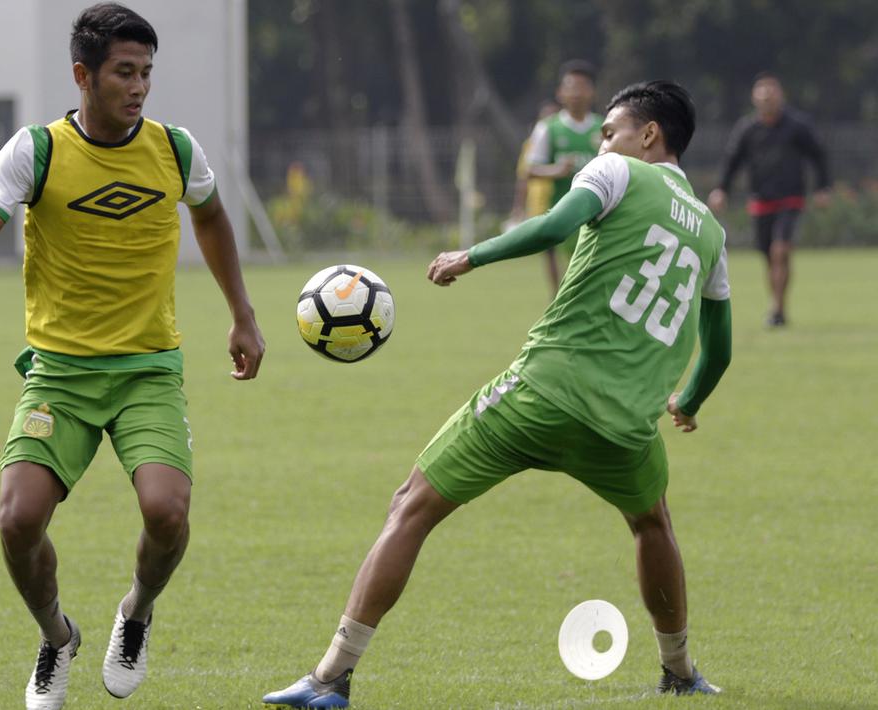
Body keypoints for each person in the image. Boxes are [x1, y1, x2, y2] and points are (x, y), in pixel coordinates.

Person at [263, 80, 730, 708]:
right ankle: (680, 672)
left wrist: (471, 255)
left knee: (413, 505)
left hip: (543, 393)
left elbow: (555, 224)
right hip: (627, 428)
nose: (602, 141)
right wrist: (689, 401)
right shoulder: (710, 232)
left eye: (611, 130)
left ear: (648, 134)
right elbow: (719, 345)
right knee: (652, 524)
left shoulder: (617, 170)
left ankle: (330, 677)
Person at [0, 4, 265, 709]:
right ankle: (56, 638)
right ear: (82, 75)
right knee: (16, 520)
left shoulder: (176, 150)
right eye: (125, 72)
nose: (139, 86)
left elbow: (210, 216)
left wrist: (241, 314)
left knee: (167, 512)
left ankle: (137, 613)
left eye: (147, 72)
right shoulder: (38, 150)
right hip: (60, 374)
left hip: (148, 370)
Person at [708, 72, 831, 327]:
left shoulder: (798, 126)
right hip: (761, 200)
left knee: (779, 251)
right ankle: (778, 306)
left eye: (771, 95)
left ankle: (777, 308)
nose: (767, 100)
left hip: (790, 198)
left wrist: (822, 188)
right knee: (769, 256)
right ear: (755, 99)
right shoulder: (748, 129)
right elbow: (732, 160)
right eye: (762, 96)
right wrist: (721, 189)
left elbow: (819, 156)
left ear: (780, 97)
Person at [524, 60, 604, 292]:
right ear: (560, 93)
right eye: (571, 87)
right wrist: (555, 171)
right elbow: (529, 170)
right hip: (563, 216)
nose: (577, 93)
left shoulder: (604, 129)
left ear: (592, 92)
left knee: (590, 286)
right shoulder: (548, 128)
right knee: (563, 288)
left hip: (598, 218)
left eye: (582, 87)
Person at [507, 100, 561, 294]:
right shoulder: (531, 145)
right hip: (540, 202)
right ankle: (557, 293)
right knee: (551, 252)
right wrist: (519, 205)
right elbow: (524, 176)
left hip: (564, 199)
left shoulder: (565, 140)